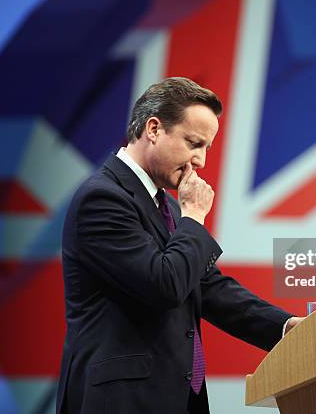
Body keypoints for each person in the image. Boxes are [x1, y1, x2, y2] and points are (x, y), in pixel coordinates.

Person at [56, 77, 302, 414]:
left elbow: (207, 286)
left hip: (176, 398)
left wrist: (285, 327)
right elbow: (165, 284)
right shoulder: (102, 199)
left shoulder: (168, 206)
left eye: (206, 148)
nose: (200, 160)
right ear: (153, 129)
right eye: (193, 143)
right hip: (122, 402)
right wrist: (196, 215)